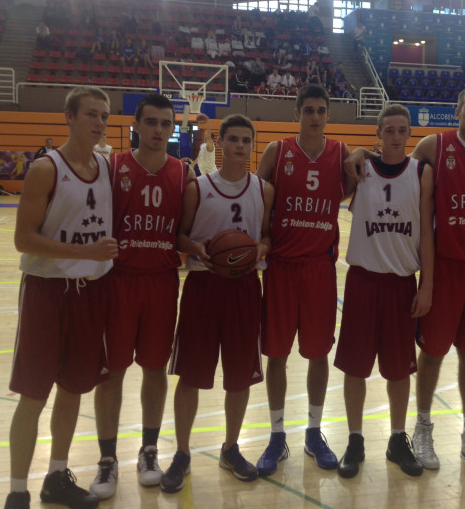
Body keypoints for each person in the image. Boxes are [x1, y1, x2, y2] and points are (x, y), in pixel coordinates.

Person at [347, 85, 465, 475]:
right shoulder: (433, 147)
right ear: (456, 111)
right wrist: (359, 153)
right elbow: (390, 159)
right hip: (445, 264)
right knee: (433, 351)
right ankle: (422, 428)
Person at [4, 87, 118, 509]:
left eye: (104, 116)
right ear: (68, 117)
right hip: (47, 293)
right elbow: (22, 240)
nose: (99, 123)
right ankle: (17, 490)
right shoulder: (45, 168)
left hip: (91, 294)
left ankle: (57, 475)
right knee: (34, 394)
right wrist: (84, 252)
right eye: (91, 114)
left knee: (73, 390)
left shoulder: (106, 168)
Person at [160, 114, 274, 491]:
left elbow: (269, 239)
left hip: (244, 289)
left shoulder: (263, 190)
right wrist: (196, 248)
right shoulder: (199, 186)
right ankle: (182, 452)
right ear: (220, 143)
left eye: (246, 140)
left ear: (252, 145)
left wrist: (260, 247)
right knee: (190, 375)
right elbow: (178, 236)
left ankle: (230, 448)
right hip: (203, 285)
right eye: (233, 139)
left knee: (240, 376)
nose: (240, 146)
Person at [88, 94, 191, 499]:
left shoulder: (182, 174)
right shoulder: (112, 168)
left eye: (166, 124)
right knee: (111, 373)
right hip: (119, 282)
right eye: (152, 122)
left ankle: (149, 450)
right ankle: (107, 459)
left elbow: (185, 231)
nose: (159, 130)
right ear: (136, 124)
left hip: (162, 284)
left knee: (153, 370)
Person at [255, 84, 355, 477]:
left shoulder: (342, 154)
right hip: (280, 267)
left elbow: (363, 184)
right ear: (297, 112)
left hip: (319, 269)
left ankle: (314, 432)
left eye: (321, 110)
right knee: (276, 355)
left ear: (328, 115)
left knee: (318, 354)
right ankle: (277, 436)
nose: (315, 116)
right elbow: (253, 196)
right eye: (309, 110)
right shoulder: (276, 152)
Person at [334, 104, 434, 479]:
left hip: (400, 284)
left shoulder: (420, 172)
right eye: (388, 130)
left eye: (401, 130)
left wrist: (427, 286)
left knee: (398, 371)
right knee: (355, 368)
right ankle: (355, 439)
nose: (395, 136)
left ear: (409, 134)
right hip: (362, 281)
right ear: (377, 134)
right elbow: (336, 171)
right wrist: (353, 154)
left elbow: (426, 233)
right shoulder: (359, 171)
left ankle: (396, 439)